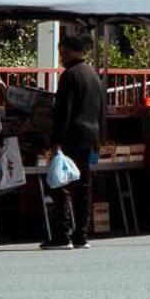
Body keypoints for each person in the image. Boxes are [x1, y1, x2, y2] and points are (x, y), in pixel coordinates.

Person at [43, 35, 102, 251]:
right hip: (89, 137)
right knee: (84, 186)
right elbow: (101, 110)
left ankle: (62, 234)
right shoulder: (94, 76)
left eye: (62, 51)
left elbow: (63, 112)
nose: (61, 56)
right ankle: (82, 234)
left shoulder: (69, 76)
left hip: (71, 137)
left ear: (68, 50)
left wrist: (56, 141)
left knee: (59, 184)